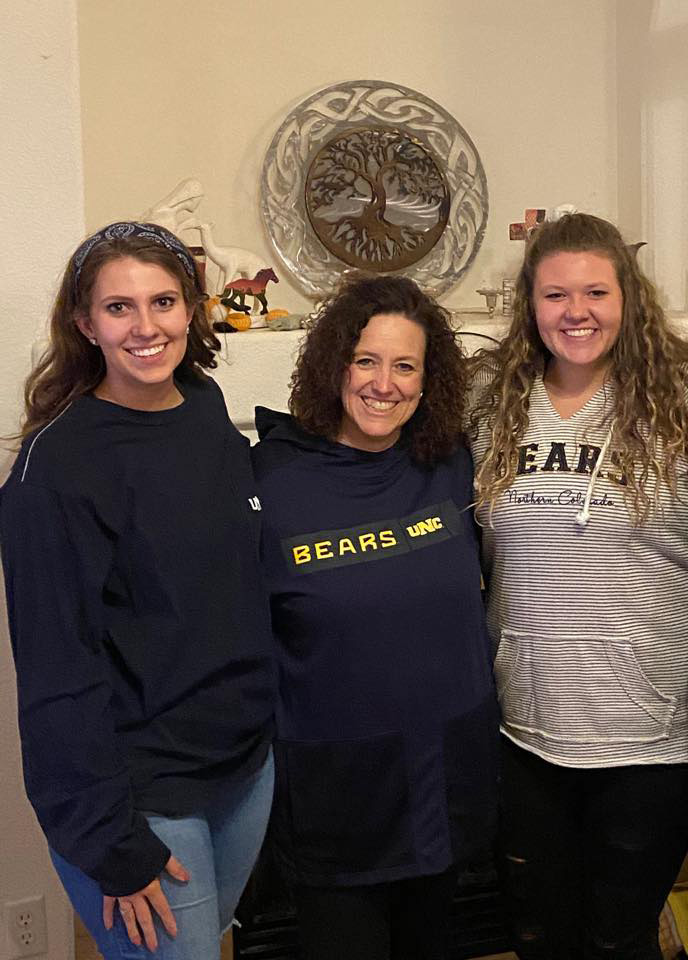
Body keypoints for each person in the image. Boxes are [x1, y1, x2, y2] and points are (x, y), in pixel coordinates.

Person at [467, 212, 688, 959]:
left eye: (595, 291)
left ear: (629, 298)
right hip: (524, 727)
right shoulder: (489, 397)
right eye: (556, 295)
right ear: (529, 303)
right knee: (539, 936)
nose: (576, 312)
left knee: (618, 939)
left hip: (651, 737)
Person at [0, 222, 276, 959]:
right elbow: (57, 671)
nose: (147, 327)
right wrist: (108, 839)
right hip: (142, 792)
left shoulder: (205, 407)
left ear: (193, 308)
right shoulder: (57, 469)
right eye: (120, 308)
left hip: (243, 768)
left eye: (163, 302)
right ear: (85, 323)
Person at [251, 274, 498, 960]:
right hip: (338, 805)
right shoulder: (267, 480)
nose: (382, 383)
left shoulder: (448, 465)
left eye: (404, 365)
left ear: (428, 380)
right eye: (366, 360)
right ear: (335, 363)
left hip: (445, 788)